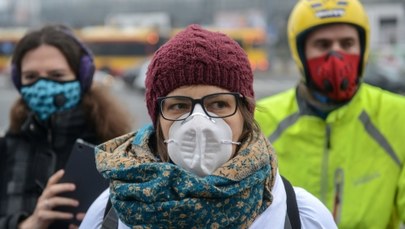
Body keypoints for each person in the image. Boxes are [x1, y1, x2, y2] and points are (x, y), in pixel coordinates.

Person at [80, 24, 337, 229]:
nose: (199, 122)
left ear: (245, 113)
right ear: (157, 118)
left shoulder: (302, 215)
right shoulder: (109, 213)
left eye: (218, 104)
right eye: (179, 106)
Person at [255, 0, 405, 228]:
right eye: (322, 44)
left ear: (363, 49)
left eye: (347, 43)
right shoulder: (262, 120)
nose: (336, 56)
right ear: (300, 53)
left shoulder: (398, 116)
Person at [0, 24, 133, 229]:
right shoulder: (6, 149)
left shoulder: (119, 152)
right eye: (31, 77)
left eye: (57, 75)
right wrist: (28, 224)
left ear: (82, 77)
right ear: (19, 81)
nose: (43, 87)